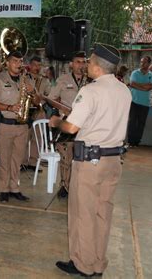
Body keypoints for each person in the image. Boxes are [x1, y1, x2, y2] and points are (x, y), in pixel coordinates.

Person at [50, 44, 131, 277]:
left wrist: (56, 122)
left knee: (83, 213)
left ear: (97, 67)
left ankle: (82, 265)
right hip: (113, 159)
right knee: (102, 213)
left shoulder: (91, 91)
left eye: (89, 62)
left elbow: (72, 126)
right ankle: (97, 263)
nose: (86, 65)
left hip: (90, 162)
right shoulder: (124, 90)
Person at [0, 51, 39, 203]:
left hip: (22, 126)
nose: (19, 64)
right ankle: (3, 189)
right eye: (15, 61)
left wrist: (32, 92)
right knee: (4, 159)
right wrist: (9, 108)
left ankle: (14, 188)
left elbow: (37, 101)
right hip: (6, 125)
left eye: (21, 61)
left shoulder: (26, 80)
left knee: (17, 159)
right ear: (8, 63)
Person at [48, 51, 87, 197]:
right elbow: (51, 99)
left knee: (81, 158)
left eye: (83, 62)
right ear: (71, 64)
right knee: (66, 156)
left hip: (85, 125)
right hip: (67, 122)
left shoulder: (90, 81)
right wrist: (62, 109)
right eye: (78, 62)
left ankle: (77, 186)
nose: (81, 65)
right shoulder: (63, 79)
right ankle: (64, 185)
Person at [23, 56, 51, 170]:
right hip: (27, 110)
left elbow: (49, 95)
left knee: (38, 137)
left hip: (39, 111)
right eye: (34, 65)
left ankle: (33, 162)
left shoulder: (45, 80)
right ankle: (23, 162)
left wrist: (42, 98)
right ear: (29, 65)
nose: (37, 67)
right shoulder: (24, 77)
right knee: (24, 136)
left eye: (39, 65)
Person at [127, 56, 152, 147]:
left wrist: (138, 85)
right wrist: (144, 86)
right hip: (134, 102)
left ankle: (136, 142)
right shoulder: (135, 73)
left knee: (141, 124)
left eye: (144, 62)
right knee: (132, 122)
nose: (142, 64)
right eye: (141, 62)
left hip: (145, 104)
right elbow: (132, 84)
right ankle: (131, 142)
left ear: (149, 64)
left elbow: (150, 87)